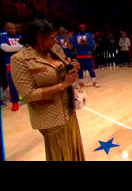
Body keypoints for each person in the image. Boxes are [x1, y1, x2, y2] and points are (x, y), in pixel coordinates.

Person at [10, 19, 85, 161]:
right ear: (39, 37)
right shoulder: (20, 60)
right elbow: (28, 95)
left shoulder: (55, 49)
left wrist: (73, 68)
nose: (56, 41)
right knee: (60, 153)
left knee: (73, 148)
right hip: (50, 117)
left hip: (69, 110)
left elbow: (65, 71)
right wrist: (62, 85)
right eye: (52, 38)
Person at [0, 23, 23, 111]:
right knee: (12, 83)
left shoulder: (20, 36)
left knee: (25, 80)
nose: (13, 30)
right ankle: (14, 101)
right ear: (6, 29)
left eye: (14, 29)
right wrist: (19, 47)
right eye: (11, 29)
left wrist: (12, 47)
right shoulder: (3, 37)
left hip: (22, 61)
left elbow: (25, 47)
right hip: (9, 62)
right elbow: (5, 48)